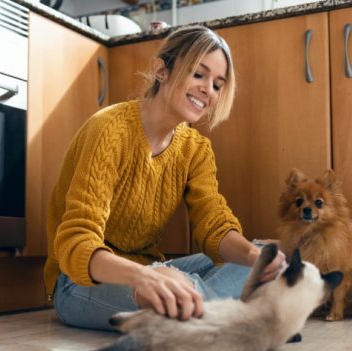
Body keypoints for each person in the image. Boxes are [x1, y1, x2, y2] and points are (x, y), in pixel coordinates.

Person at [43, 25, 285, 331]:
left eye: (217, 84)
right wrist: (143, 277)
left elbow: (214, 226)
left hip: (151, 272)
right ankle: (211, 306)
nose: (207, 90)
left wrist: (253, 255)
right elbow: (76, 241)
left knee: (265, 255)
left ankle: (196, 302)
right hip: (79, 283)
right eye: (199, 74)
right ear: (162, 70)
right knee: (187, 291)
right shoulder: (108, 130)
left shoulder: (196, 149)